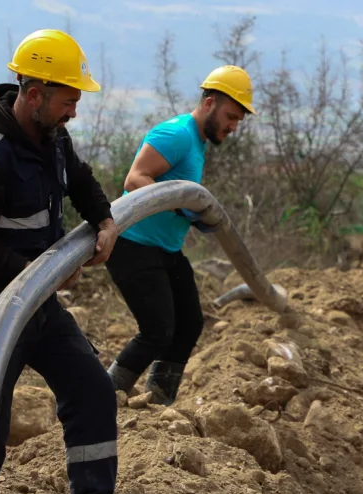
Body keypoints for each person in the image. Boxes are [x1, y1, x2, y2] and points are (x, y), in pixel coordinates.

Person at [0, 29, 151, 494]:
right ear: (35, 95)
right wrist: (44, 273)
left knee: (91, 387)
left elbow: (81, 179)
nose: (74, 111)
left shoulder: (52, 138)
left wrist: (105, 221)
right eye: (68, 101)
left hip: (35, 299)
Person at [104, 65, 254, 405]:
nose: (233, 127)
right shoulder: (177, 134)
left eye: (238, 121)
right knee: (157, 332)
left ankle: (158, 402)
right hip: (134, 246)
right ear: (209, 103)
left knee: (189, 324)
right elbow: (135, 180)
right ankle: (99, 395)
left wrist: (196, 214)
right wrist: (185, 209)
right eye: (231, 116)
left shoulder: (197, 142)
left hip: (165, 249)